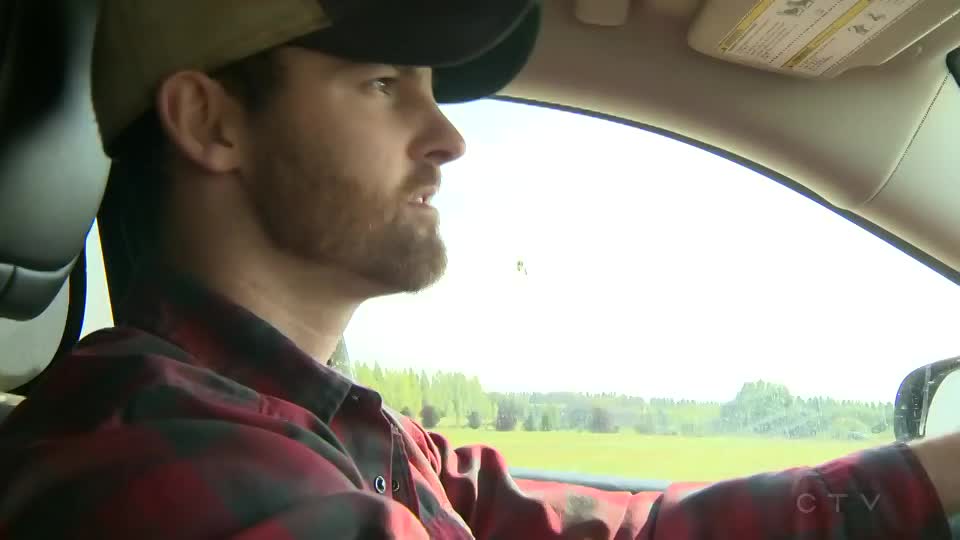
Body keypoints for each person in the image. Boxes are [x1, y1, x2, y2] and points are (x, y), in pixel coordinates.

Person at [0, 1, 957, 538]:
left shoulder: (354, 435)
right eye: (383, 85)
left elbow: (621, 532)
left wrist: (938, 471)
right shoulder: (155, 466)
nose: (448, 137)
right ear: (210, 122)